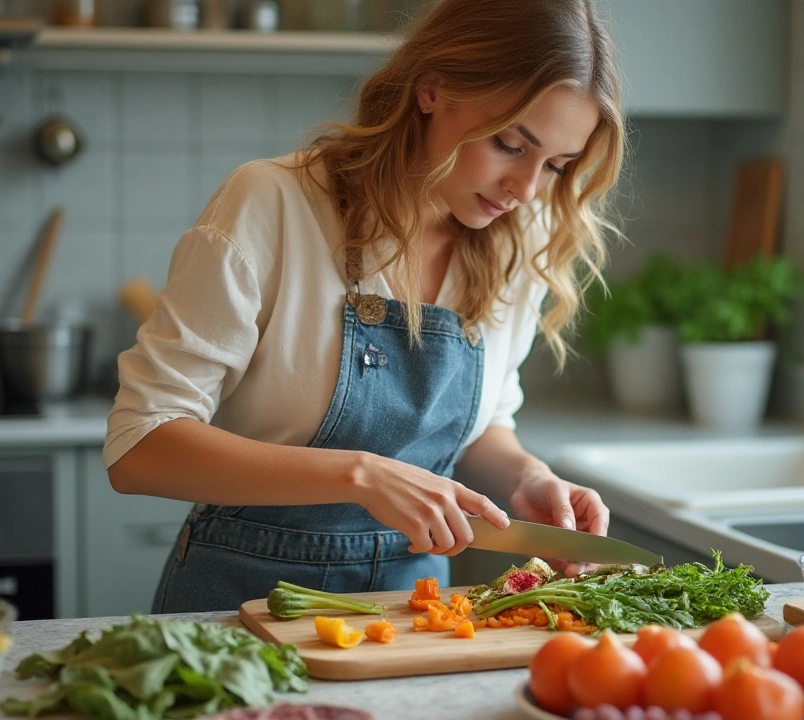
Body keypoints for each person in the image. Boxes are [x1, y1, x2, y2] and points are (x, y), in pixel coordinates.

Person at [104, 0, 627, 613]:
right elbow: (139, 447)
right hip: (240, 607)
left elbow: (481, 427)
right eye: (511, 144)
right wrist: (358, 474)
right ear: (432, 89)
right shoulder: (273, 204)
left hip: (414, 614)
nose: (528, 190)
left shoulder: (522, 239)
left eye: (557, 166)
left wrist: (525, 480)